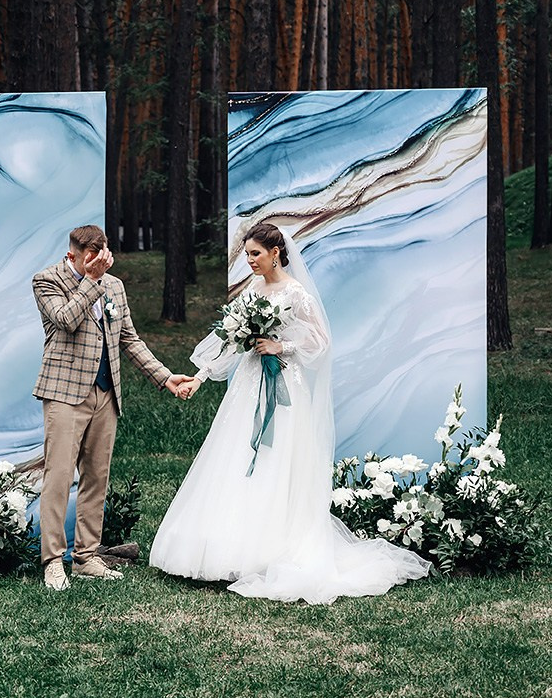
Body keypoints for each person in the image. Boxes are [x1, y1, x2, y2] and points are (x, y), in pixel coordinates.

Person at [150, 223, 431, 604]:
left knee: (278, 458)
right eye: (247, 254)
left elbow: (321, 340)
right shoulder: (252, 290)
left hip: (285, 385)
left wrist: (281, 344)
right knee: (239, 454)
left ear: (276, 253)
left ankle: (274, 546)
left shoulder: (295, 293)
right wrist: (200, 378)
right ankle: (229, 544)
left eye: (255, 254)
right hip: (250, 383)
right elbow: (229, 340)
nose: (249, 261)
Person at [32, 225, 194, 591]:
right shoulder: (47, 280)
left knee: (97, 476)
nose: (101, 264)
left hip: (106, 393)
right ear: (73, 255)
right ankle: (53, 561)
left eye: (103, 256)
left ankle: (87, 556)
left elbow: (128, 338)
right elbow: (65, 320)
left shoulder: (114, 285)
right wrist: (90, 281)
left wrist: (165, 377)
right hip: (64, 394)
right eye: (92, 259)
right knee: (58, 478)